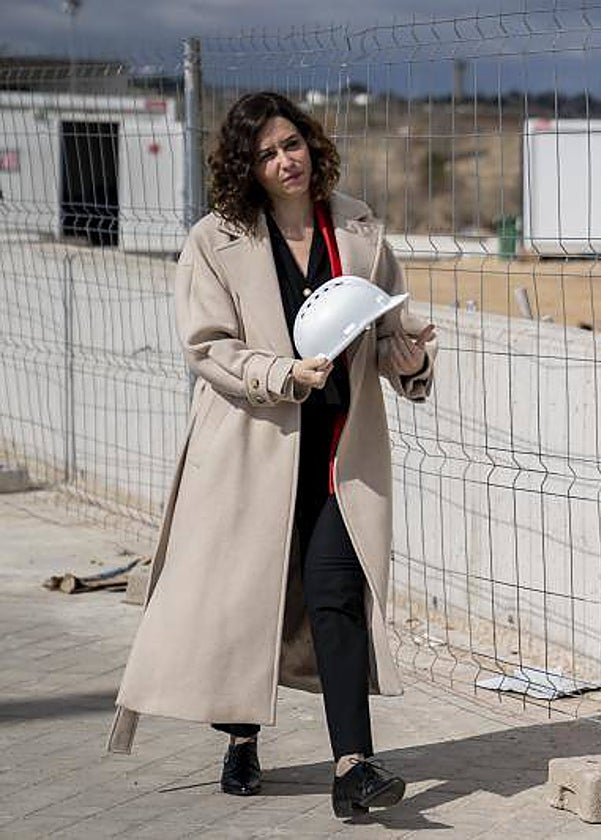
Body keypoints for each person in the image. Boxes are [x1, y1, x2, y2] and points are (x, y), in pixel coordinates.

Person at [107, 91, 436, 820]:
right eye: (265, 153)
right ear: (246, 168)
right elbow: (208, 348)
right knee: (248, 600)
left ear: (311, 144)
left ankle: (354, 767)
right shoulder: (215, 240)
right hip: (252, 452)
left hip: (337, 455)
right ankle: (242, 736)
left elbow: (391, 329)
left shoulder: (358, 228)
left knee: (335, 596)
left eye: (291, 144)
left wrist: (409, 358)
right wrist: (279, 374)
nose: (284, 161)